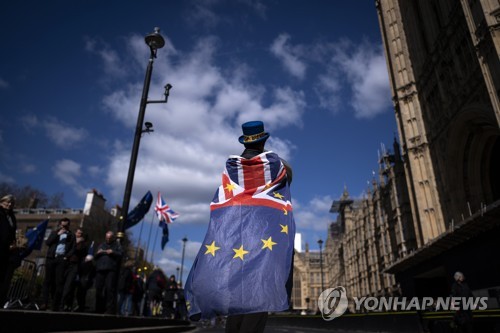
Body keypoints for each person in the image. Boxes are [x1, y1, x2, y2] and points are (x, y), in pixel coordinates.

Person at [185, 120, 295, 333]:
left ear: (245, 142)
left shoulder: (230, 170)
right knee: (258, 296)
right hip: (264, 243)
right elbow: (288, 179)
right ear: (264, 141)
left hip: (235, 243)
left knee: (235, 301)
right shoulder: (277, 167)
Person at [41, 217, 76, 311]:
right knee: (47, 281)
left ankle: (55, 304)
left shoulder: (72, 235)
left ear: (69, 225)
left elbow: (73, 248)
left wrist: (66, 257)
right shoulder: (54, 232)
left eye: (66, 225)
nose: (64, 227)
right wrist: (57, 234)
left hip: (62, 259)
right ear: (60, 224)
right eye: (62, 225)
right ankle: (44, 302)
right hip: (51, 258)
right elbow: (48, 243)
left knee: (58, 282)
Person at [94, 230, 122, 314]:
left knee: (109, 289)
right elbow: (95, 256)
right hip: (100, 269)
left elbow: (120, 254)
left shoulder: (117, 245)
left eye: (110, 238)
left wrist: (113, 252)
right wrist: (98, 253)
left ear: (113, 237)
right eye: (107, 238)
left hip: (110, 269)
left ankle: (109, 309)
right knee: (98, 289)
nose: (108, 239)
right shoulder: (101, 244)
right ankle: (98, 308)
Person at [61, 228, 88, 311]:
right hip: (66, 264)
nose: (78, 235)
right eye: (77, 233)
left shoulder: (82, 244)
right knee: (62, 283)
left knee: (69, 286)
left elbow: (77, 250)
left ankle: (63, 304)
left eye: (80, 234)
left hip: (74, 265)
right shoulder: (71, 240)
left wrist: (77, 242)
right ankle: (63, 303)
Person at [0, 194, 17, 306]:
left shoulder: (11, 216)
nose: (9, 204)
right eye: (7, 202)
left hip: (9, 251)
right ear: (1, 202)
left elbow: (11, 233)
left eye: (11, 203)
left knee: (5, 277)